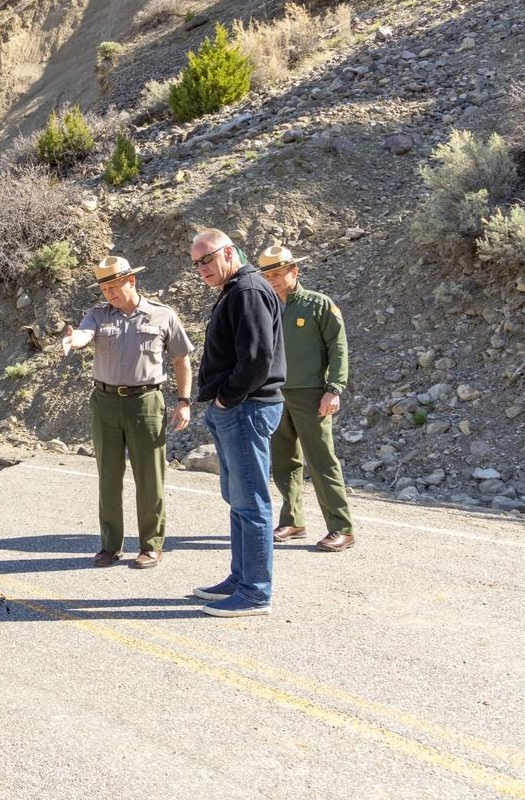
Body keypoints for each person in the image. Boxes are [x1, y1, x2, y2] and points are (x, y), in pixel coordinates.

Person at [59, 256, 194, 569]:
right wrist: (72, 340)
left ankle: (151, 544)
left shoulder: (163, 315)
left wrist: (184, 401)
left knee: (150, 477)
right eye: (104, 288)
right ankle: (109, 546)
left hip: (146, 402)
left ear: (131, 281)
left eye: (114, 286)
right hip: (105, 403)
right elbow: (83, 335)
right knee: (108, 477)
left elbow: (181, 360)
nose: (109, 293)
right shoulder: (97, 315)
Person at [189, 229, 285, 617]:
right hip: (236, 408)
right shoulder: (237, 291)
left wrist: (228, 397)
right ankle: (240, 578)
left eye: (207, 259)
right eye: (197, 264)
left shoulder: (247, 291)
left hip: (245, 408)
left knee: (252, 502)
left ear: (229, 253)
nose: (202, 269)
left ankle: (255, 592)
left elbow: (258, 359)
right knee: (238, 500)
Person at [257, 245, 355, 553]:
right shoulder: (266, 307)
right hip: (274, 393)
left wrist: (334, 388)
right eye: (267, 275)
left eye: (277, 274)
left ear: (293, 272)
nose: (271, 280)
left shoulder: (318, 305)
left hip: (312, 395)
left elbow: (338, 348)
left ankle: (341, 528)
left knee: (322, 460)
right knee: (284, 461)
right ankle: (292, 520)